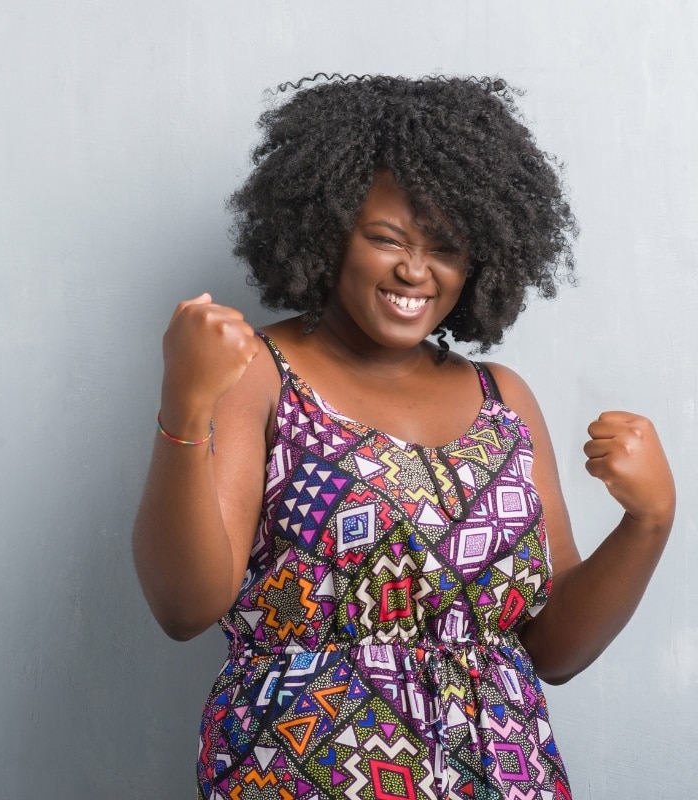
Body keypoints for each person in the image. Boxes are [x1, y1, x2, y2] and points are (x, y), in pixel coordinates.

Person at [133, 74, 675, 800]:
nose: (415, 270)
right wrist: (185, 405)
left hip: (504, 775)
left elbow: (553, 650)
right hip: (305, 774)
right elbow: (184, 607)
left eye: (445, 248)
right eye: (386, 238)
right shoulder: (261, 374)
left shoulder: (502, 399)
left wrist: (648, 523)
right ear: (329, 233)